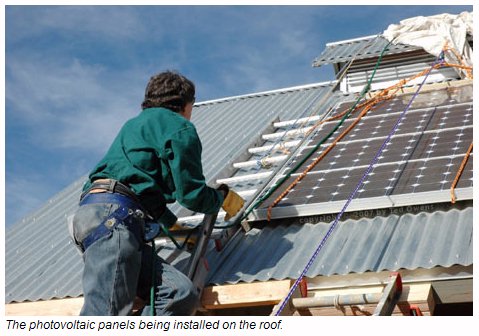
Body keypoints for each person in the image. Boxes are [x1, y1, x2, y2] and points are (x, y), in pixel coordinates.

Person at [68, 70, 244, 316]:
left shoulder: (134, 125)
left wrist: (172, 225)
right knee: (105, 314)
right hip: (115, 221)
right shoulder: (180, 127)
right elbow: (191, 194)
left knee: (179, 293)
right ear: (185, 104)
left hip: (99, 217)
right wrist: (219, 198)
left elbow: (142, 187)